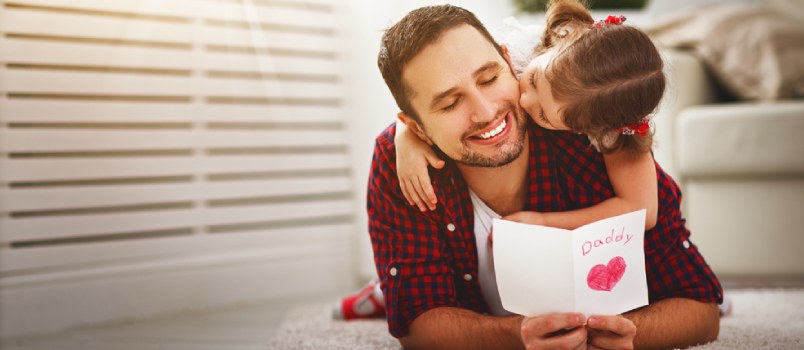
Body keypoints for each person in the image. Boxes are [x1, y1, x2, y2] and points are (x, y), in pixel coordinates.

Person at [344, 2, 723, 349]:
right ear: (419, 128)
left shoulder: (586, 129)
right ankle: (380, 291)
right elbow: (417, 327)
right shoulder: (404, 167)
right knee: (401, 291)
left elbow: (701, 312)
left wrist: (629, 333)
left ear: (511, 62)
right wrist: (517, 336)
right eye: (449, 102)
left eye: (490, 78)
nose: (486, 111)